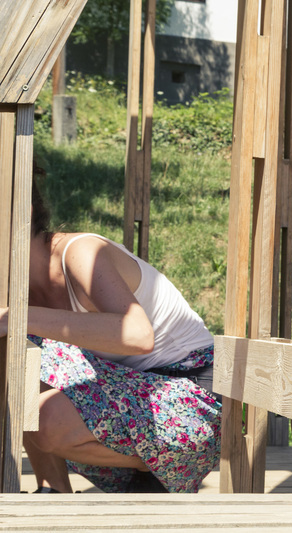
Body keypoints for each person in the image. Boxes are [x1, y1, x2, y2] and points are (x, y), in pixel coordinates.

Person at [0, 180, 221, 493]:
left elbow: (137, 335)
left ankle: (161, 466)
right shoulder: (15, 285)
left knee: (44, 411)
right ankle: (53, 492)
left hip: (193, 402)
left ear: (20, 212)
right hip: (130, 395)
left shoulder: (81, 253)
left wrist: (18, 317)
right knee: (19, 357)